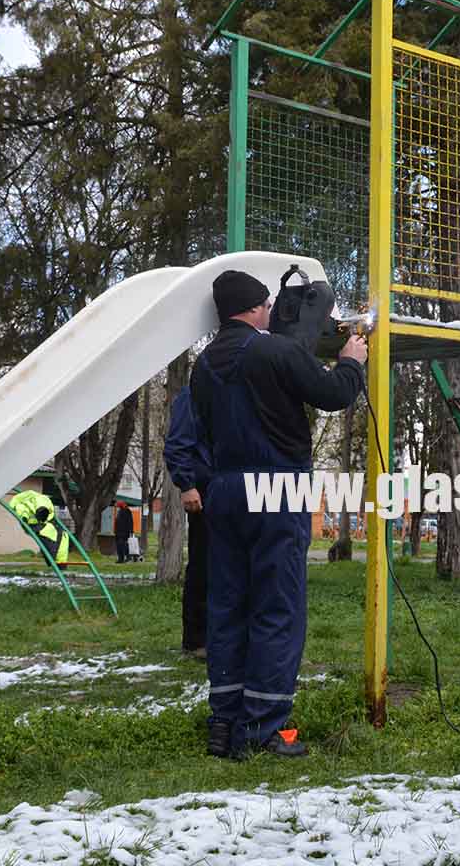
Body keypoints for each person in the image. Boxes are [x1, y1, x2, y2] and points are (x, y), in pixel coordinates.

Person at [191, 268, 367, 759]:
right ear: (250, 308)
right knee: (276, 606)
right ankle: (265, 728)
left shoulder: (204, 364)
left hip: (223, 489)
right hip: (275, 487)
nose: (272, 312)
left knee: (227, 606)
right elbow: (333, 395)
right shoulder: (275, 351)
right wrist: (352, 361)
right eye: (266, 305)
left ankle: (224, 725)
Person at [164, 384, 211, 658]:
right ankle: (195, 641)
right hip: (205, 489)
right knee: (204, 563)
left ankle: (219, 636)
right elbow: (177, 442)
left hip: (230, 486)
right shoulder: (195, 392)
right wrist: (186, 484)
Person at [9, 488, 68, 565]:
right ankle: (53, 559)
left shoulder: (42, 501)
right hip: (32, 525)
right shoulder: (24, 504)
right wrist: (24, 519)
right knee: (50, 534)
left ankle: (60, 560)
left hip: (39, 522)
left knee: (63, 535)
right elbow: (22, 511)